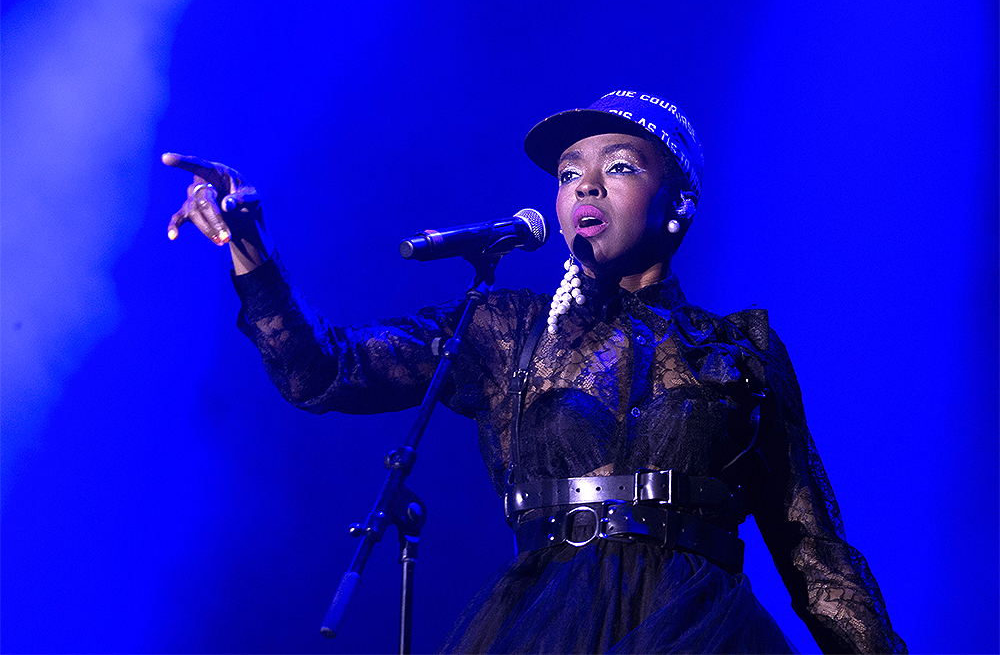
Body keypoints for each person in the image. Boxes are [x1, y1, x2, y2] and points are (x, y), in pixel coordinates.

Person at [163, 90, 906, 654]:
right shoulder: (506, 326)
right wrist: (251, 254)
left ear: (679, 202)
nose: (585, 186)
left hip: (700, 628)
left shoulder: (738, 353)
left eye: (618, 167)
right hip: (546, 619)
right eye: (569, 173)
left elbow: (819, 557)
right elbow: (321, 372)